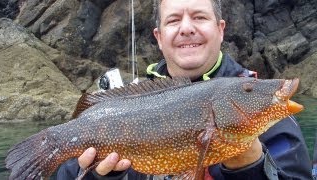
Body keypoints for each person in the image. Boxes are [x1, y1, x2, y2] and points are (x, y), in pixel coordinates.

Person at [57, 0, 312, 179]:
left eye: (199, 17)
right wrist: (102, 178)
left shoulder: (263, 108)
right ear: (158, 37)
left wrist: (251, 168)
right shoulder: (126, 103)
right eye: (174, 20)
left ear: (220, 29)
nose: (187, 28)